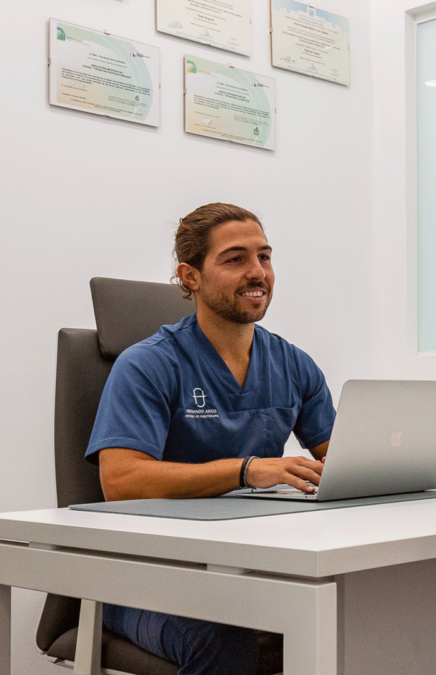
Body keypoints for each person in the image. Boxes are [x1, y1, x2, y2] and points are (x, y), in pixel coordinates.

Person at [85, 203, 337, 675]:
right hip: (146, 577)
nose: (257, 272)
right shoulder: (148, 365)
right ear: (191, 276)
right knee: (225, 638)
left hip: (248, 568)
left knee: (351, 609)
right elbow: (119, 481)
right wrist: (246, 470)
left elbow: (344, 463)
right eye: (235, 259)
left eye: (264, 256)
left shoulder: (293, 364)